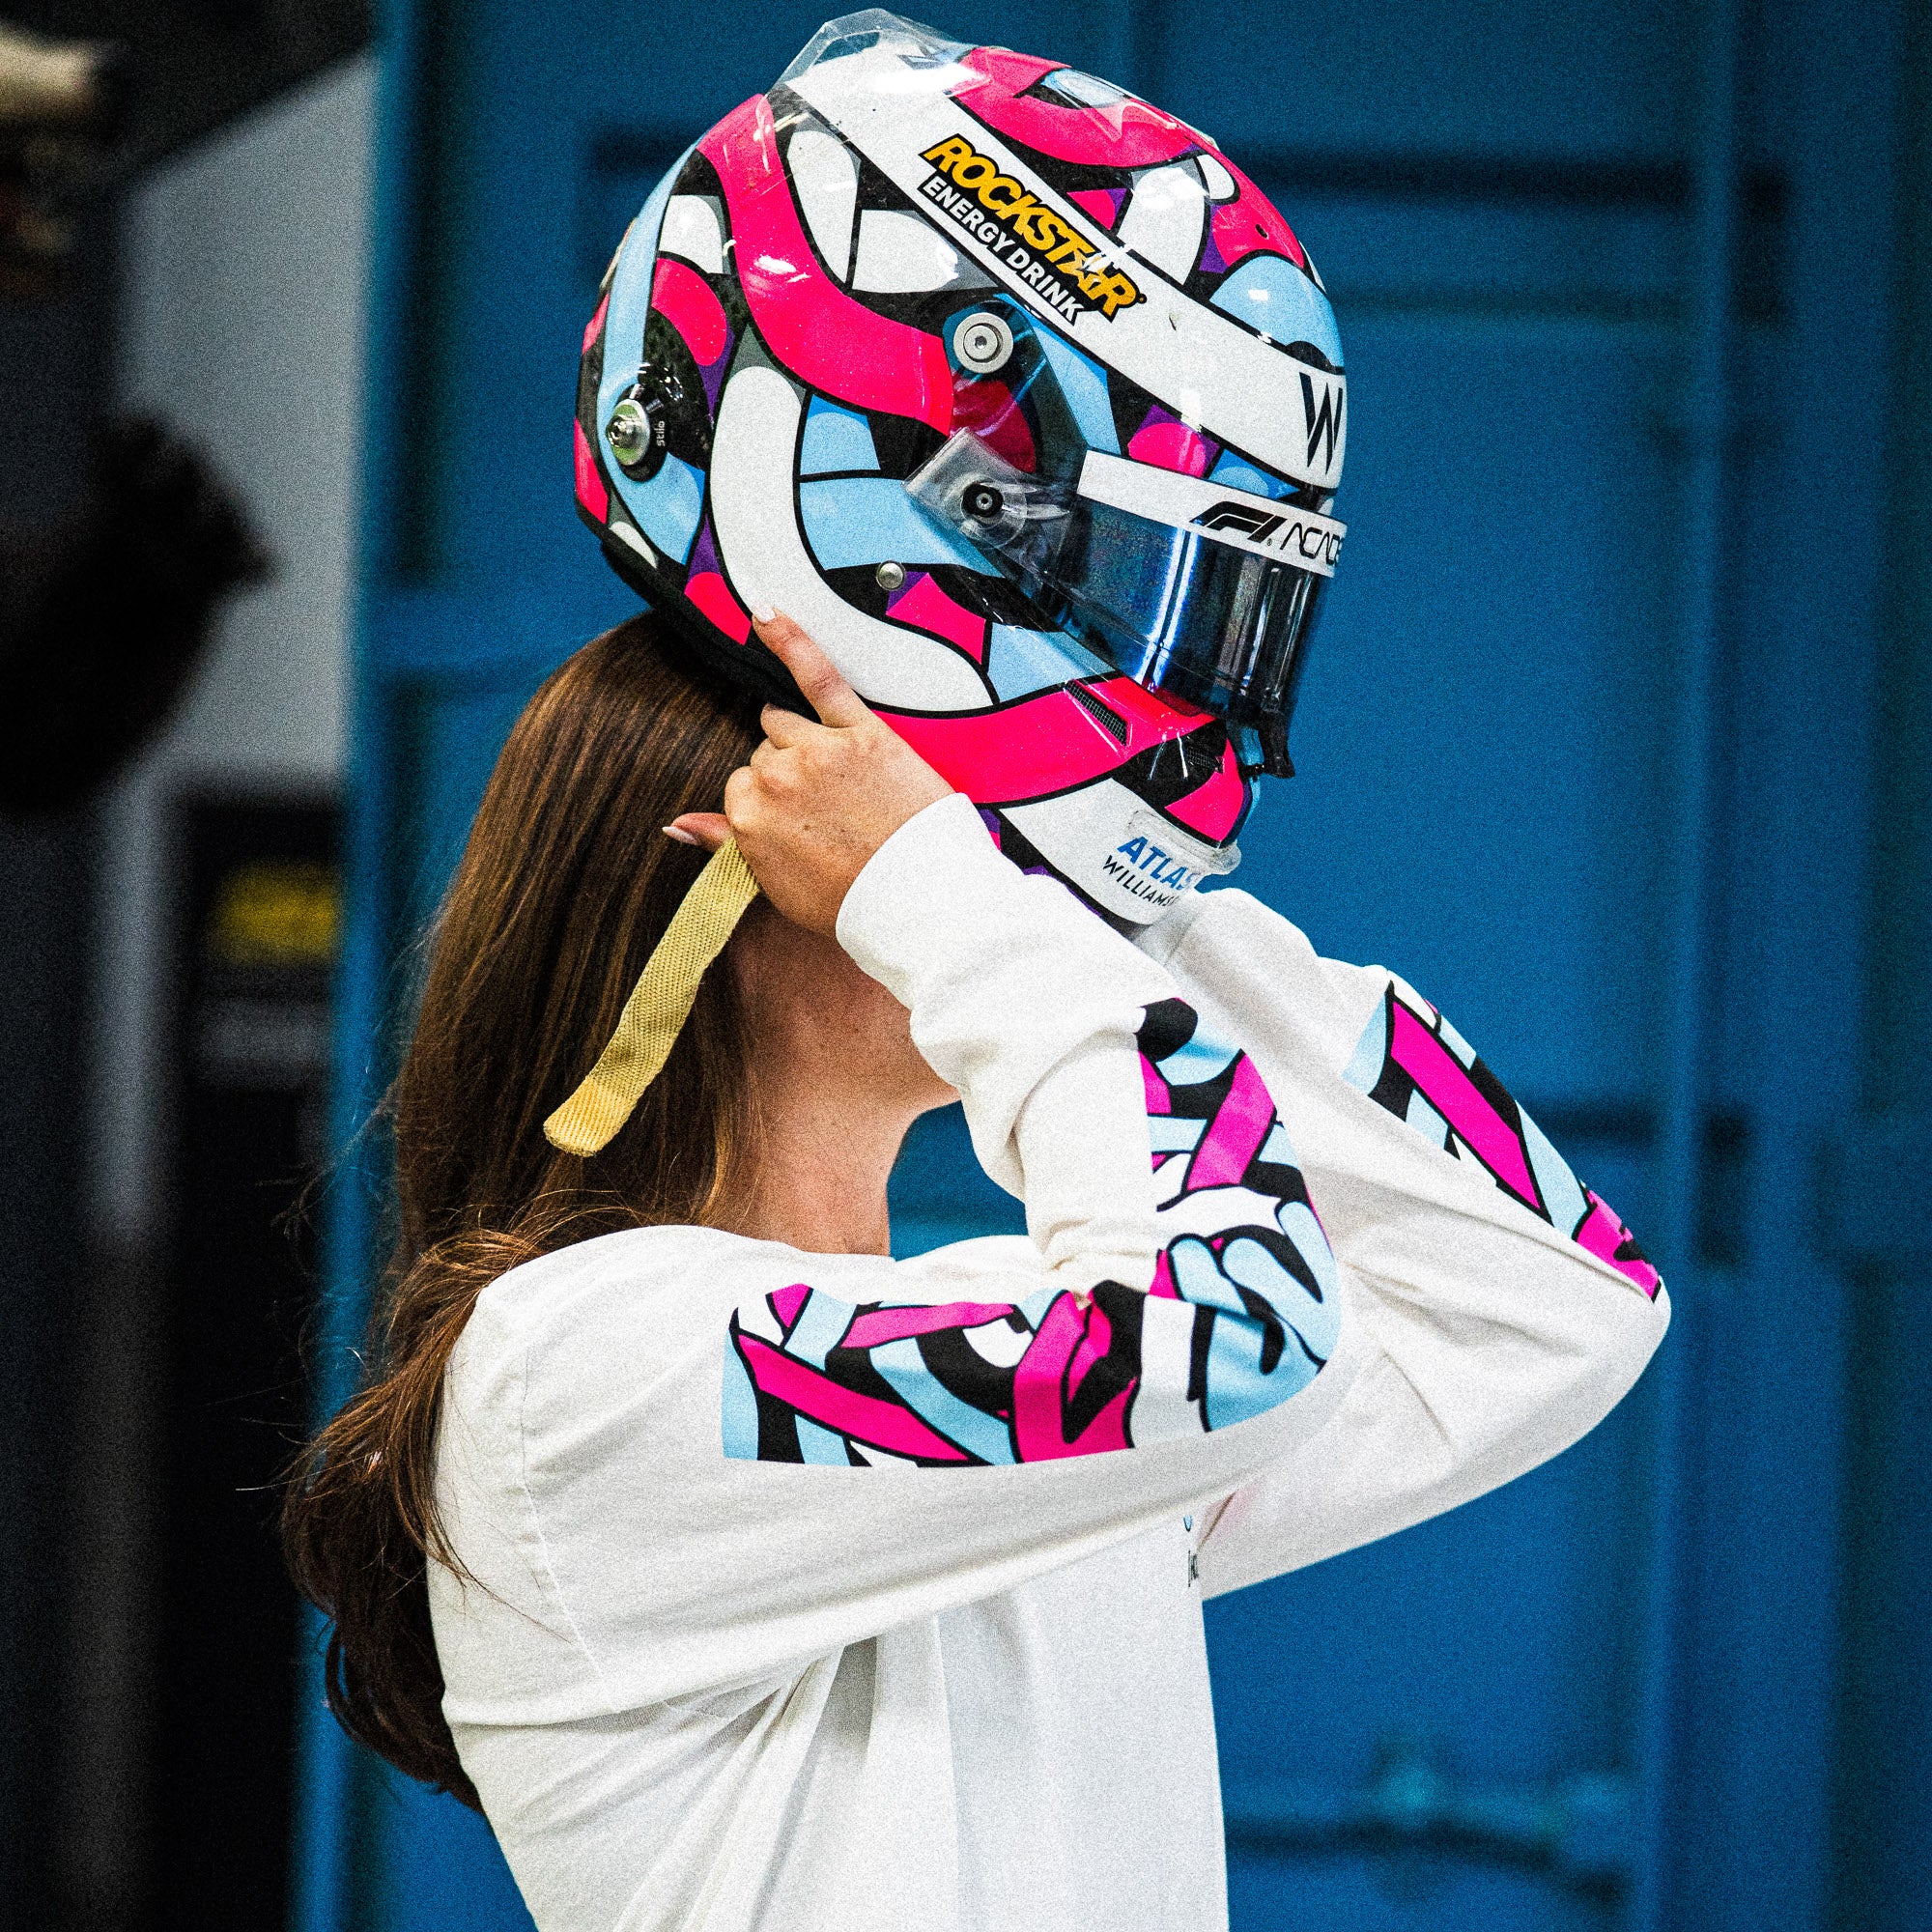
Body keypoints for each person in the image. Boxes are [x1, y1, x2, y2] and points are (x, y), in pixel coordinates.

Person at [285, 16, 1668, 1931]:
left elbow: (1562, 1295)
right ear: (759, 877)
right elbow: (1231, 1341)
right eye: (919, 839)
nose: (990, 872)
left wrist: (1126, 863)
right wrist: (954, 888)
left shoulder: (990, 1376)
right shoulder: (574, 1378)